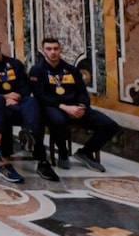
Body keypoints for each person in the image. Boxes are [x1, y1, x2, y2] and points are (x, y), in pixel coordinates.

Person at [30, 37, 119, 173]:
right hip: (53, 107)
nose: (53, 52)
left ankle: (86, 152)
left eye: (56, 49)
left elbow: (82, 92)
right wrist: (65, 108)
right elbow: (40, 96)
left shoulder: (71, 70)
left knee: (110, 125)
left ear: (60, 50)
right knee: (58, 121)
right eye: (49, 49)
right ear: (43, 51)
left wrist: (81, 106)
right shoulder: (37, 70)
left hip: (75, 107)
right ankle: (63, 153)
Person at [0, 33, 52, 182]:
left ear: (0, 43)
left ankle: (33, 144)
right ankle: (4, 163)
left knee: (32, 103)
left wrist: (18, 95)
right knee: (3, 116)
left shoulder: (15, 63)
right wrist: (5, 97)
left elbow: (25, 84)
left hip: (18, 101)